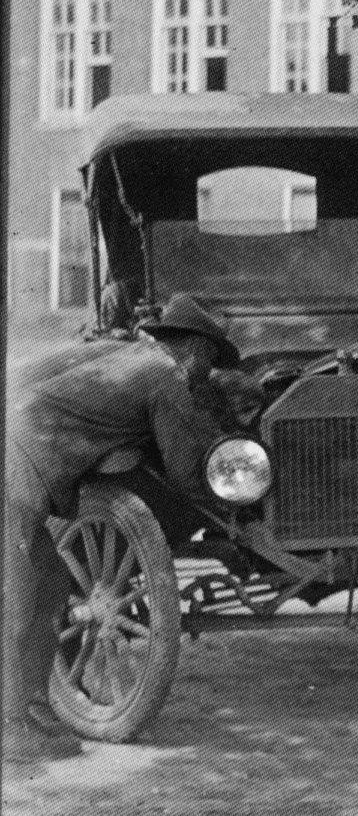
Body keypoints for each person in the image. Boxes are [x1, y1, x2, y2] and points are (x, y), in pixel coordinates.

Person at [5, 295, 238, 764]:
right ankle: (10, 727)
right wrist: (234, 519)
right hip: (17, 469)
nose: (204, 374)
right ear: (193, 349)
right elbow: (185, 471)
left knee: (49, 586)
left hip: (21, 455)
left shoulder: (131, 356)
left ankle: (29, 707)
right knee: (18, 597)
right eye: (208, 361)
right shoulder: (165, 377)